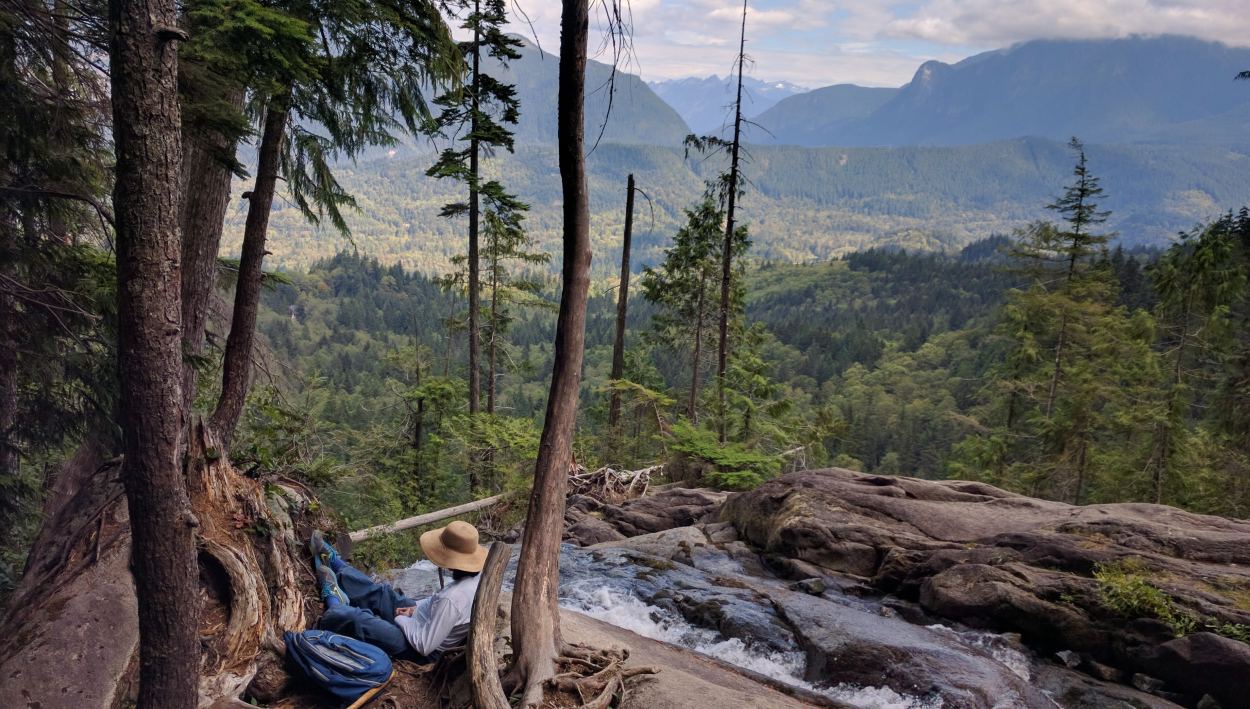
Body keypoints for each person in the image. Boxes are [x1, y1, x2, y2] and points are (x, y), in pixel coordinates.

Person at [309, 520, 487, 662]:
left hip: (417, 648)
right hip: (421, 621)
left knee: (360, 620)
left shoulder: (454, 598)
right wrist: (414, 609)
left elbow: (424, 645)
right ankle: (338, 566)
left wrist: (402, 620)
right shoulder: (474, 579)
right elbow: (438, 604)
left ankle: (334, 601)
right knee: (383, 593)